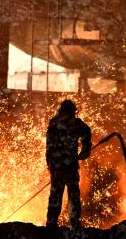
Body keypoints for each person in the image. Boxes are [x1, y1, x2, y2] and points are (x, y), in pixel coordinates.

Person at [46, 99, 92, 231]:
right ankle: (74, 224)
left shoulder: (53, 125)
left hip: (59, 168)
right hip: (68, 166)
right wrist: (85, 151)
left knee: (57, 195)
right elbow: (86, 135)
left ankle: (52, 223)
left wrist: (50, 166)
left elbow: (48, 150)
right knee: (72, 195)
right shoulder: (75, 124)